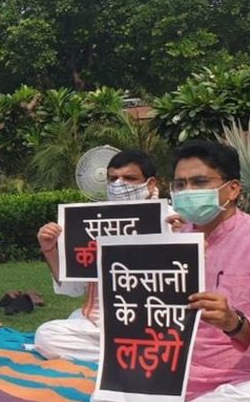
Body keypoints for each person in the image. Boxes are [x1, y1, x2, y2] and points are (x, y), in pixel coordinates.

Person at [49, 140, 250, 402]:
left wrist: (236, 323)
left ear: (232, 189)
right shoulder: (173, 241)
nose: (187, 191)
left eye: (199, 182)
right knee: (105, 401)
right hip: (181, 376)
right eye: (180, 184)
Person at [34, 149, 165, 362]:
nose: (119, 185)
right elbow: (71, 288)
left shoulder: (172, 221)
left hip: (152, 324)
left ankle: (126, 354)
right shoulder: (91, 223)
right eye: (113, 179)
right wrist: (49, 249)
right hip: (97, 324)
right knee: (47, 335)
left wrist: (180, 237)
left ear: (150, 184)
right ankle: (130, 355)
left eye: (129, 178)